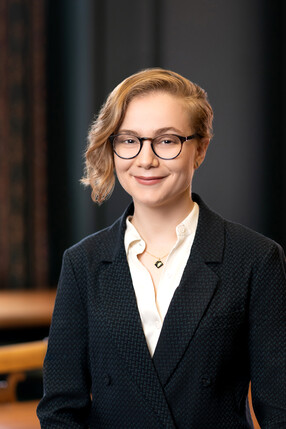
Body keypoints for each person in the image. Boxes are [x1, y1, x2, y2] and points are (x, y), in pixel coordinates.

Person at [37, 68, 286, 428]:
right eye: (128, 140)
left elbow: (280, 411)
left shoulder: (255, 259)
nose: (145, 159)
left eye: (167, 141)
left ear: (199, 149)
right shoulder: (83, 262)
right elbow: (60, 411)